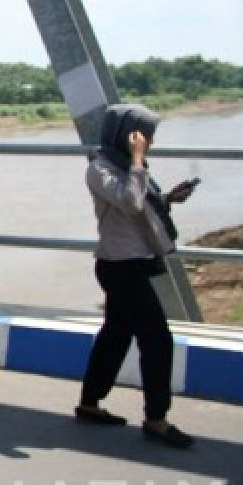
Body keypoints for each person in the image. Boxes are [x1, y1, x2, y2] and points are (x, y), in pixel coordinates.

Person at [75, 104, 197, 449]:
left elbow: (140, 207)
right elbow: (129, 202)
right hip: (119, 267)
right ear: (126, 134)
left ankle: (89, 403)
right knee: (156, 338)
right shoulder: (100, 168)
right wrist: (139, 159)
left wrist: (168, 198)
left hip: (133, 263)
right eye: (144, 135)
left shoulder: (127, 167)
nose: (149, 142)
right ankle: (156, 419)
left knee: (116, 334)